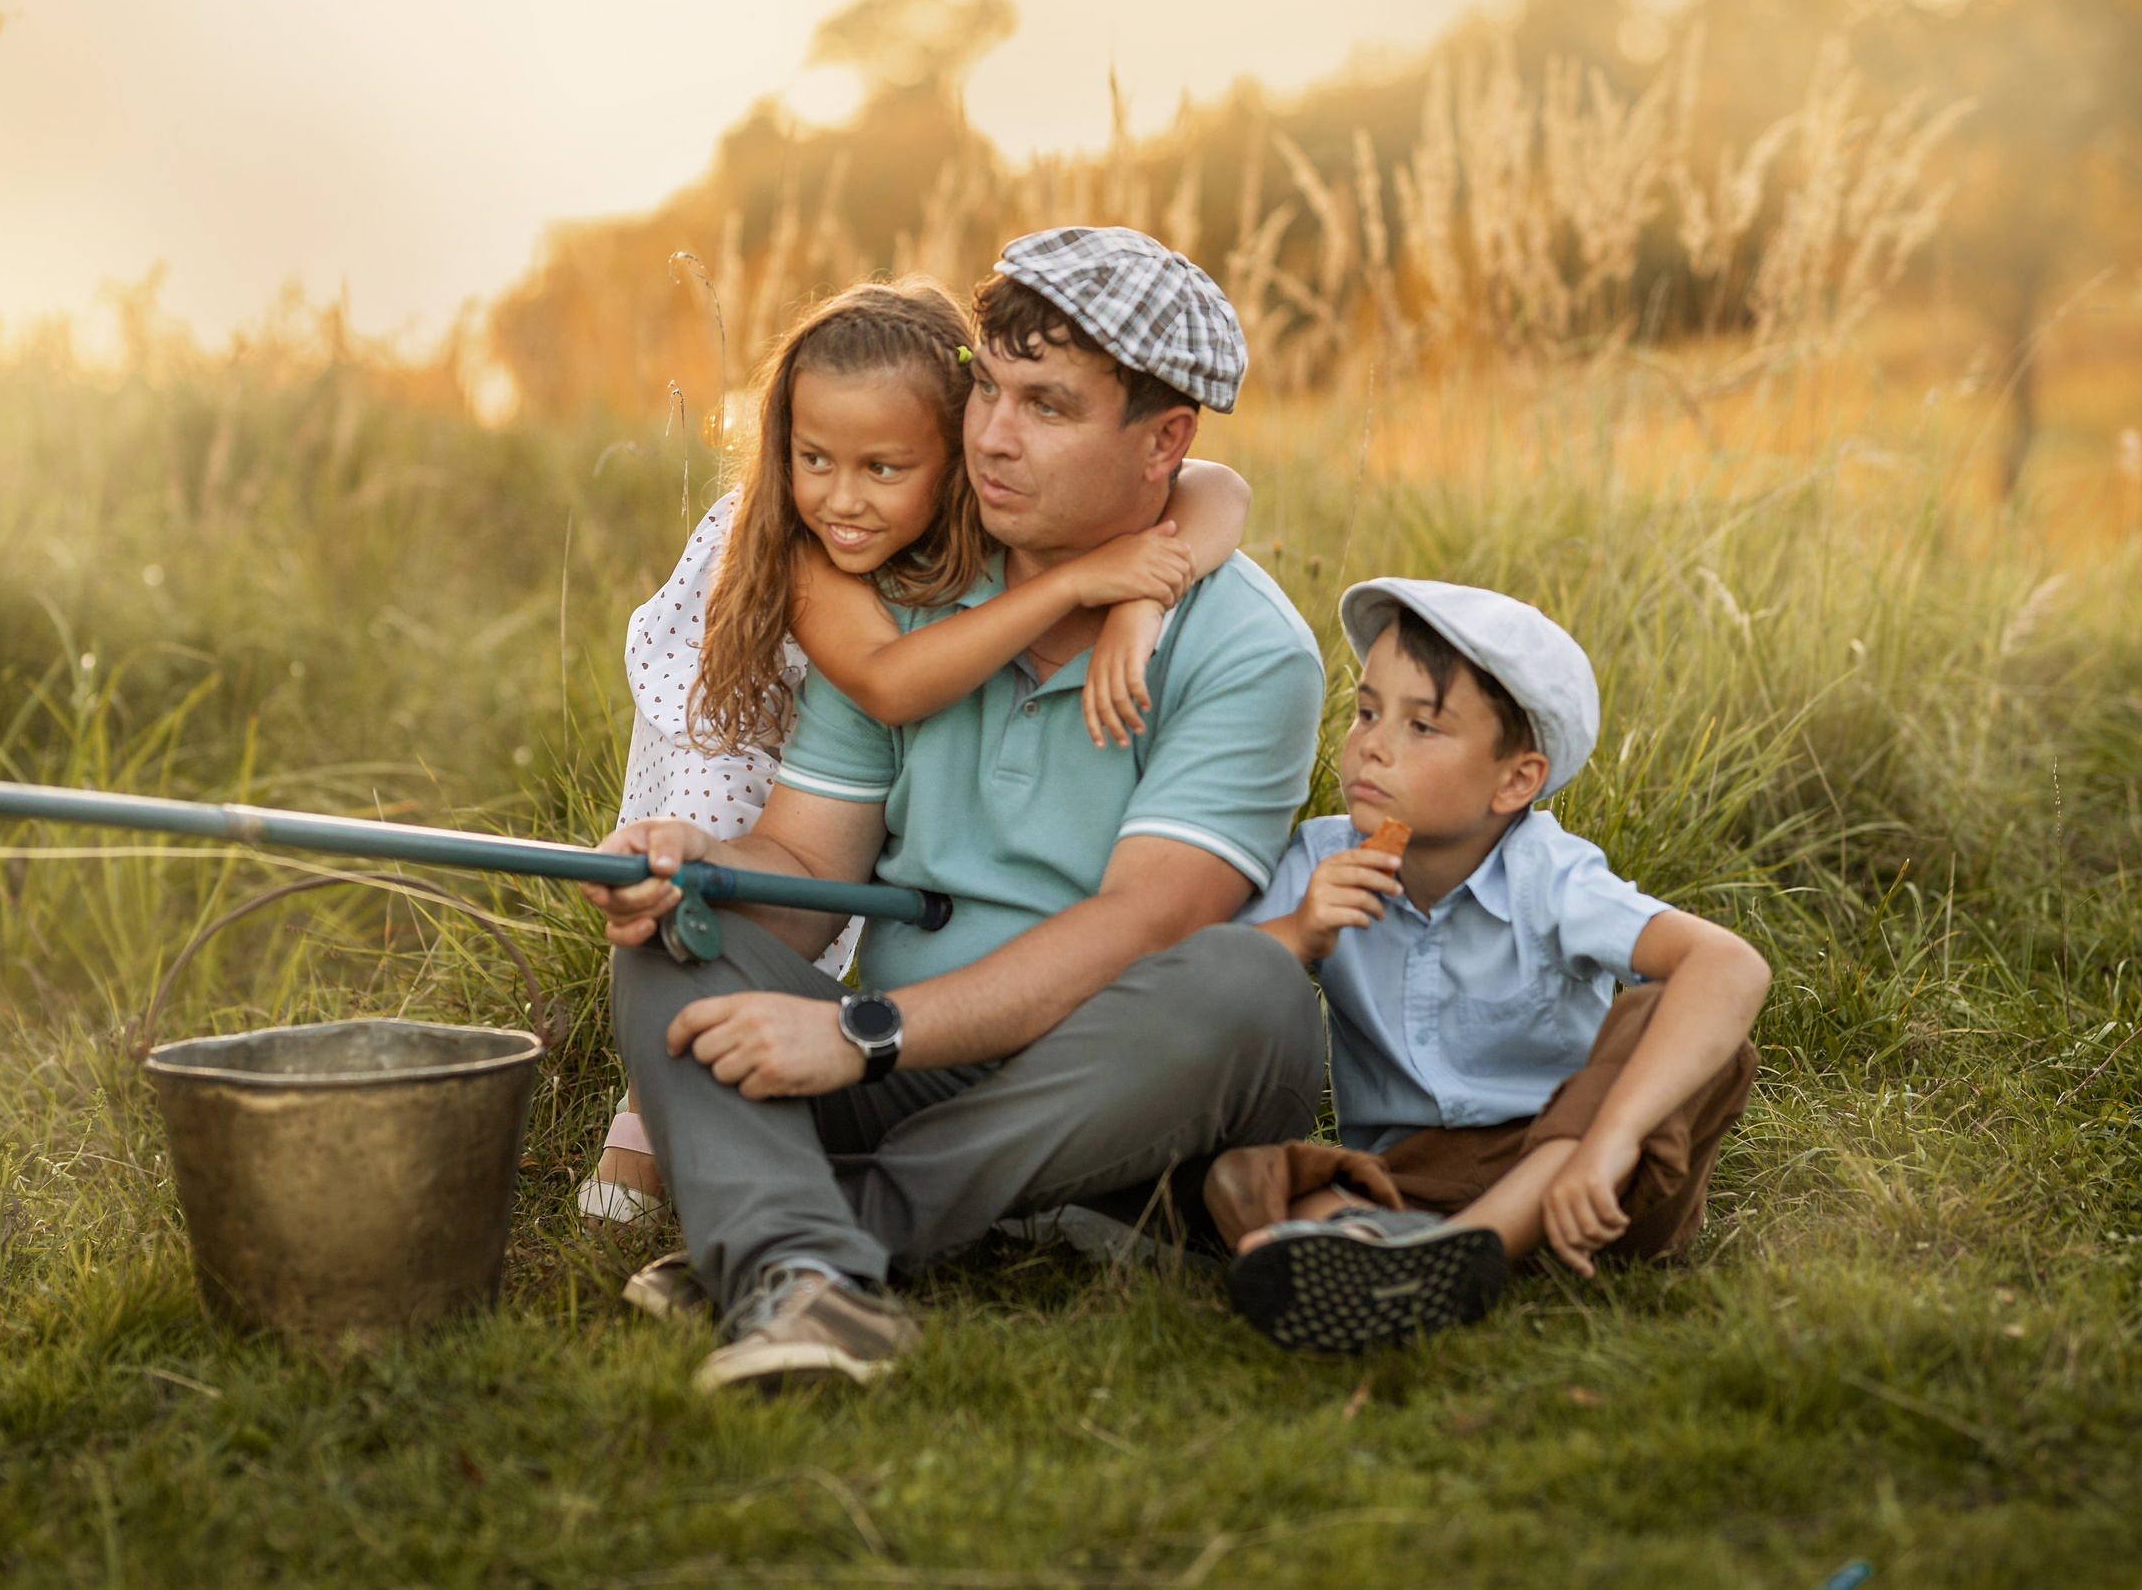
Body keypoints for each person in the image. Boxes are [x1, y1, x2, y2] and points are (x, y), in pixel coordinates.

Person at [582, 228, 1328, 1393]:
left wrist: (859, 1033)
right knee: (676, 941)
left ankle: (807, 1245)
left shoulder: (1248, 651)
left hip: (1120, 1069)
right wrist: (700, 870)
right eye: (986, 385)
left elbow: (1146, 926)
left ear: (1163, 444)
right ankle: (822, 1277)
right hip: (905, 1066)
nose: (989, 432)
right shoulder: (912, 593)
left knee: (1252, 987)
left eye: (1046, 405)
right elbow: (801, 853)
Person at [1205, 578, 1771, 1357]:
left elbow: (1731, 965)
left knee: (1671, 1014)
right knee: (1241, 1173)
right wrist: (1298, 930)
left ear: (1515, 780)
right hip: (1411, 1176)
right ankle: (1377, 1244)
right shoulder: (1320, 861)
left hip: (1582, 1180)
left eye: (1423, 726)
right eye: (1367, 711)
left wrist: (1608, 1141)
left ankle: (1461, 1248)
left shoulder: (1549, 874)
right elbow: (1204, 980)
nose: (1372, 743)